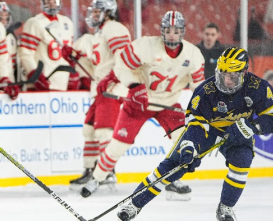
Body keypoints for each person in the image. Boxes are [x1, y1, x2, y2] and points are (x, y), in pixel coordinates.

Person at [115, 47, 273, 221]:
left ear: (244, 73)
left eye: (232, 76)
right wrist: (190, 147)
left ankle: (225, 206)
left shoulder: (258, 87)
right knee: (175, 164)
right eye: (222, 74)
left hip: (239, 132)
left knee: (242, 162)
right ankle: (134, 203)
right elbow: (194, 123)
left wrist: (253, 127)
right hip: (208, 131)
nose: (226, 80)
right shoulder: (206, 90)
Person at [81, 11, 205, 200]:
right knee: (118, 146)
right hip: (139, 102)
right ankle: (96, 179)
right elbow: (122, 65)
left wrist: (200, 108)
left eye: (176, 30)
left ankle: (172, 179)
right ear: (162, 31)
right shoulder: (146, 46)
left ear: (183, 32)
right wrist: (134, 86)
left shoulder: (193, 55)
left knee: (184, 141)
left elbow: (199, 88)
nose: (172, 34)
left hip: (168, 104)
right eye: (168, 30)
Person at [67, 0, 131, 186]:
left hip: (112, 89)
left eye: (97, 11)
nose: (93, 15)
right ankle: (90, 169)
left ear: (108, 13)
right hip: (101, 89)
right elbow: (94, 68)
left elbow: (125, 59)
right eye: (93, 11)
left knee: (104, 132)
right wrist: (73, 58)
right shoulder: (99, 33)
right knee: (89, 130)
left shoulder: (114, 28)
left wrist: (112, 78)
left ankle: (107, 172)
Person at [19, 0, 75, 91]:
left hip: (62, 83)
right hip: (42, 83)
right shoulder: (34, 23)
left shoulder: (67, 23)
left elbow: (69, 55)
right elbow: (26, 54)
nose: (51, 2)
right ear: (42, 2)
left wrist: (72, 74)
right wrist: (35, 75)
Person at [0, 2, 19, 83]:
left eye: (6, 15)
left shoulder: (12, 37)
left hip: (8, 78)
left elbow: (15, 62)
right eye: (0, 14)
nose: (4, 18)